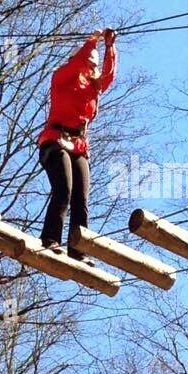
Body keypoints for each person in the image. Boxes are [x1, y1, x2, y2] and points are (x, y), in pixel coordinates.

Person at [38, 28, 117, 264]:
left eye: (94, 63)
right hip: (55, 140)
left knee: (81, 197)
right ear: (77, 60)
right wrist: (92, 42)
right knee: (64, 189)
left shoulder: (93, 88)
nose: (93, 66)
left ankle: (78, 249)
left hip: (79, 146)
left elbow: (109, 75)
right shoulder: (61, 78)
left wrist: (109, 46)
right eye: (89, 61)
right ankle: (50, 239)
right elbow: (82, 60)